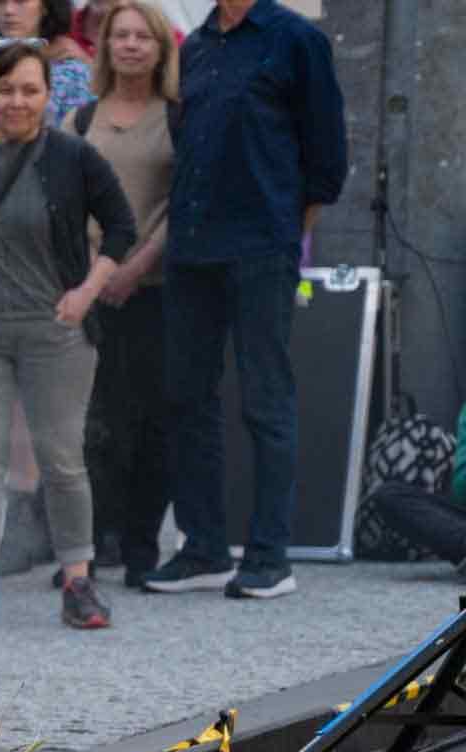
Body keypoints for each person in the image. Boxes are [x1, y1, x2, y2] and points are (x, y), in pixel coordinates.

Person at [0, 41, 135, 630]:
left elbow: (120, 228)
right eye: (6, 89)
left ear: (48, 94)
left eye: (29, 90)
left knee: (62, 460)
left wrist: (86, 293)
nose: (16, 101)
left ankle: (79, 582)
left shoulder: (73, 156)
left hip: (55, 329)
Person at [141, 0, 346, 601]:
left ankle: (269, 557)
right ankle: (203, 548)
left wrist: (287, 231)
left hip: (261, 246)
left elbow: (327, 156)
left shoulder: (294, 40)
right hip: (194, 246)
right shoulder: (196, 47)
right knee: (186, 397)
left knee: (265, 398)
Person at [77, 0, 178, 589]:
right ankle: (91, 543)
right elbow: (67, 206)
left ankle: (143, 547)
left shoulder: (179, 118)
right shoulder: (81, 117)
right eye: (122, 35)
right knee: (94, 422)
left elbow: (181, 204)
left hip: (157, 288)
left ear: (161, 48)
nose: (132, 45)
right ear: (106, 44)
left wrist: (137, 265)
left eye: (144, 36)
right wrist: (97, 270)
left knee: (151, 421)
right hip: (92, 291)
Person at [0, 0, 92, 130]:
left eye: (21, 1)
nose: (8, 10)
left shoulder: (73, 74)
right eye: (0, 1)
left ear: (45, 6)